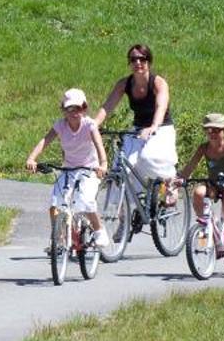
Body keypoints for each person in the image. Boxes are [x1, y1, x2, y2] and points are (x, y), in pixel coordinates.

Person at [24, 88, 108, 253]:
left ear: (84, 109)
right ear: (64, 110)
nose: (74, 112)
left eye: (78, 108)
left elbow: (99, 146)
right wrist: (31, 158)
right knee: (55, 204)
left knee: (85, 200)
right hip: (69, 169)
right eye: (69, 109)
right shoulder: (61, 126)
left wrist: (103, 164)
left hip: (89, 169)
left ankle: (99, 231)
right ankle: (59, 240)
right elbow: (45, 141)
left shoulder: (89, 125)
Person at [99, 42, 177, 203]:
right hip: (138, 129)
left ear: (149, 61)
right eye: (133, 60)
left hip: (161, 128)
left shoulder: (158, 83)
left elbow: (161, 107)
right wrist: (93, 125)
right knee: (120, 169)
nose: (138, 63)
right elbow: (107, 106)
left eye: (142, 59)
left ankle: (170, 182)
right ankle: (120, 214)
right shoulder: (124, 84)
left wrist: (154, 126)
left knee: (148, 157)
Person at [179, 112, 224, 264]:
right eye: (209, 130)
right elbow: (191, 165)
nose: (213, 134)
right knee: (198, 192)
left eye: (217, 130)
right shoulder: (204, 148)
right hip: (213, 185)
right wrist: (181, 177)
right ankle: (205, 226)